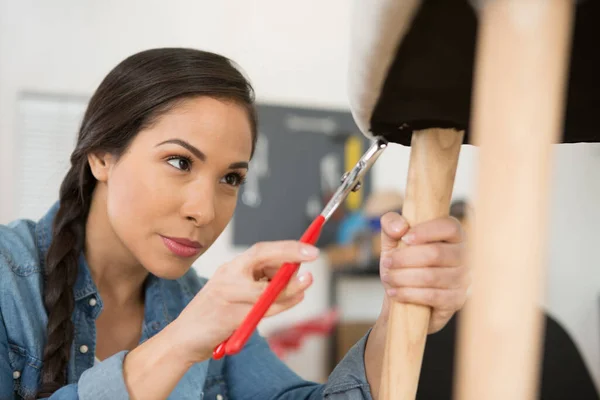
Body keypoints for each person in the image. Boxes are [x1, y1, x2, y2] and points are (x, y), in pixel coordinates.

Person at [0, 48, 470, 400]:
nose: (205, 210)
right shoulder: (8, 280)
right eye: (180, 162)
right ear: (102, 156)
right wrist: (183, 340)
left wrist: (400, 306)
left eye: (230, 177)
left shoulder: (196, 303)